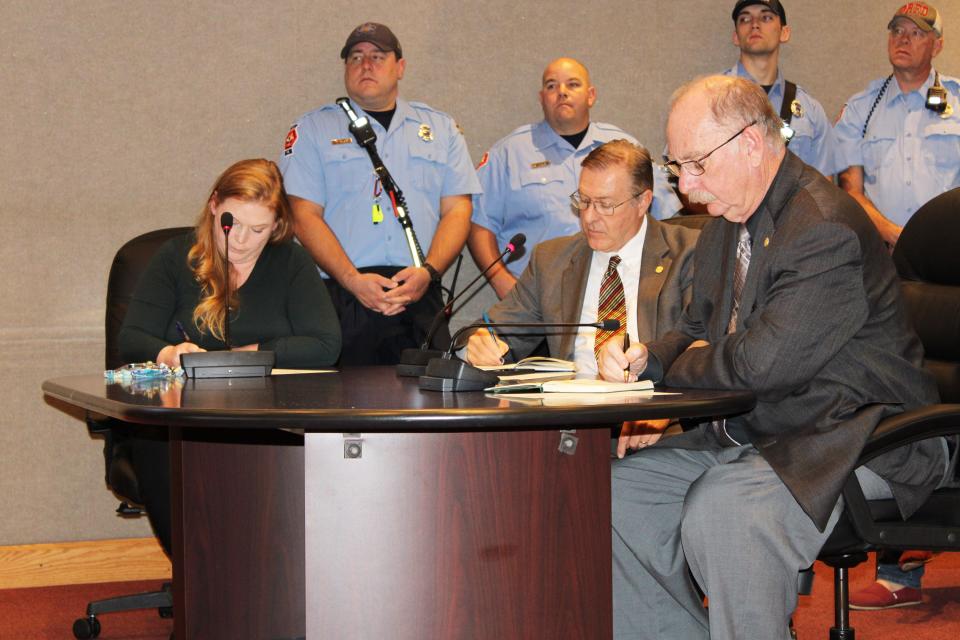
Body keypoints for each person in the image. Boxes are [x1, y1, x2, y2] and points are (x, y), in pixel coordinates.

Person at [598, 75, 948, 639]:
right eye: (676, 167)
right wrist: (648, 357)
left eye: (695, 164)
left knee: (728, 512)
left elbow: (761, 366)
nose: (685, 186)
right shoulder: (726, 220)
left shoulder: (821, 227)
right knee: (614, 495)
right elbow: (694, 327)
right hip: (764, 429)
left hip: (858, 434)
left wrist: (671, 373)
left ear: (750, 144)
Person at [118, 158, 342, 553]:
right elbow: (132, 337)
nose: (240, 240)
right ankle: (197, 571)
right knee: (157, 442)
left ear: (276, 226)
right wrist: (171, 352)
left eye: (257, 229)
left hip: (269, 413)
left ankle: (266, 575)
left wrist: (249, 354)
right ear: (213, 205)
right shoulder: (176, 258)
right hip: (183, 414)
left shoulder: (290, 262)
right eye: (231, 223)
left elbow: (325, 345)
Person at [464, 140, 698, 457]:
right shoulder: (552, 259)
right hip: (569, 428)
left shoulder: (689, 252)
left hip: (656, 426)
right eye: (583, 201)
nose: (589, 217)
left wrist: (667, 406)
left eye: (604, 204)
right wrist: (479, 342)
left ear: (643, 201)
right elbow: (493, 329)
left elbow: (702, 341)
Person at [279, 22, 480, 365]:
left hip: (419, 290)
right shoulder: (313, 130)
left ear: (400, 67)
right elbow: (302, 215)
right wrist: (352, 281)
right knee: (339, 408)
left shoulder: (440, 128)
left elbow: (458, 210)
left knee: (428, 409)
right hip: (342, 295)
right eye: (355, 57)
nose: (366, 64)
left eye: (377, 56)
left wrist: (429, 272)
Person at [468, 57, 682, 299]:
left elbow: (667, 218)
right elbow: (479, 225)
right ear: (541, 98)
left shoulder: (624, 148)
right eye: (551, 86)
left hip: (614, 293)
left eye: (572, 85)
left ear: (591, 95)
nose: (561, 92)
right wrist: (500, 281)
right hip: (535, 298)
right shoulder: (508, 153)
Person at [835, 2, 960, 247]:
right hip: (882, 253)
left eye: (917, 33)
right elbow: (851, 192)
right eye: (897, 31)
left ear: (937, 46)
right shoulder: (860, 109)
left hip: (951, 251)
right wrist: (895, 235)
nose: (903, 39)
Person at [723, 0, 835, 175]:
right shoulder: (708, 99)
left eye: (766, 17)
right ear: (736, 36)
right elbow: (676, 173)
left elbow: (823, 188)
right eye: (745, 19)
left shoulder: (810, 111)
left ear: (784, 32)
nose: (754, 25)